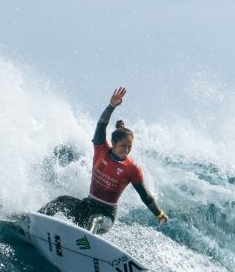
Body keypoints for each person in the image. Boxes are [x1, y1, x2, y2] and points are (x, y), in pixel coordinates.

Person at [40, 87, 169, 234]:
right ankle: (33, 223)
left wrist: (159, 214)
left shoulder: (132, 169)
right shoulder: (101, 149)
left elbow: (145, 196)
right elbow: (101, 125)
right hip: (87, 207)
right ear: (113, 143)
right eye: (123, 146)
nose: (127, 150)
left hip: (106, 216)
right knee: (61, 201)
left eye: (130, 147)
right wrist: (111, 106)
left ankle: (85, 245)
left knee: (95, 219)